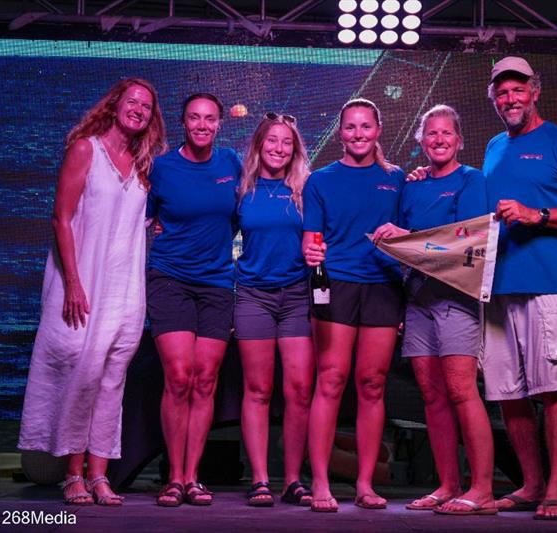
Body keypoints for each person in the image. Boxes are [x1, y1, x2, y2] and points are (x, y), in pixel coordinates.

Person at [18, 78, 168, 506]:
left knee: (112, 379)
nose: (138, 109)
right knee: (82, 375)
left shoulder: (142, 162)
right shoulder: (87, 147)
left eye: (146, 105)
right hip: (84, 284)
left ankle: (100, 474)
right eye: (132, 101)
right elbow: (61, 219)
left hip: (125, 287)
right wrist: (73, 283)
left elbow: (127, 217)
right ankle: (73, 473)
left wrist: (150, 225)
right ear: (115, 103)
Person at [482, 57, 557, 520]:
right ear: (493, 98)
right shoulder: (493, 147)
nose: (509, 99)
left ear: (535, 90)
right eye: (501, 93)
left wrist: (540, 215)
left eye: (517, 90)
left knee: (554, 388)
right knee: (508, 391)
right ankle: (531, 485)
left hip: (549, 287)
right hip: (497, 288)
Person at [373, 104, 496, 516]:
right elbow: (402, 249)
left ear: (459, 140)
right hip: (418, 300)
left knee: (462, 390)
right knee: (432, 394)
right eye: (431, 134)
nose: (439, 140)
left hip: (456, 299)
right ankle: (447, 485)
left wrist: (407, 237)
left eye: (446, 133)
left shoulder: (471, 179)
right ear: (420, 142)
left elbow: (468, 243)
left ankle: (482, 490)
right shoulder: (413, 186)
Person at [302, 98, 405, 512]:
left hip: (383, 287)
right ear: (340, 132)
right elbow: (311, 240)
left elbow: (412, 233)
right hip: (337, 287)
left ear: (378, 130)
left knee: (373, 384)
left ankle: (365, 484)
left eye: (365, 126)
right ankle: (322, 484)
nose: (358, 134)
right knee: (330, 380)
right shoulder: (319, 181)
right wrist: (310, 253)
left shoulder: (398, 179)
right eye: (350, 127)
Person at [146, 93, 242, 507]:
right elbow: (142, 217)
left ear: (219, 124)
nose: (201, 125)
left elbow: (250, 209)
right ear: (182, 122)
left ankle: (192, 476)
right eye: (193, 118)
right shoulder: (163, 167)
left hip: (217, 284)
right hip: (170, 280)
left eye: (209, 119)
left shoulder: (232, 164)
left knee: (205, 379)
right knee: (180, 375)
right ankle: (171, 476)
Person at [235, 113, 314, 507]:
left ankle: (293, 480)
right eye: (272, 142)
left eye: (286, 142)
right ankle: (260, 479)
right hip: (253, 297)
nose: (279, 149)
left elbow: (325, 237)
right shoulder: (241, 188)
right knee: (258, 389)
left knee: (299, 391)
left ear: (295, 149)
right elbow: (214, 229)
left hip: (297, 296)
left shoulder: (306, 189)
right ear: (259, 145)